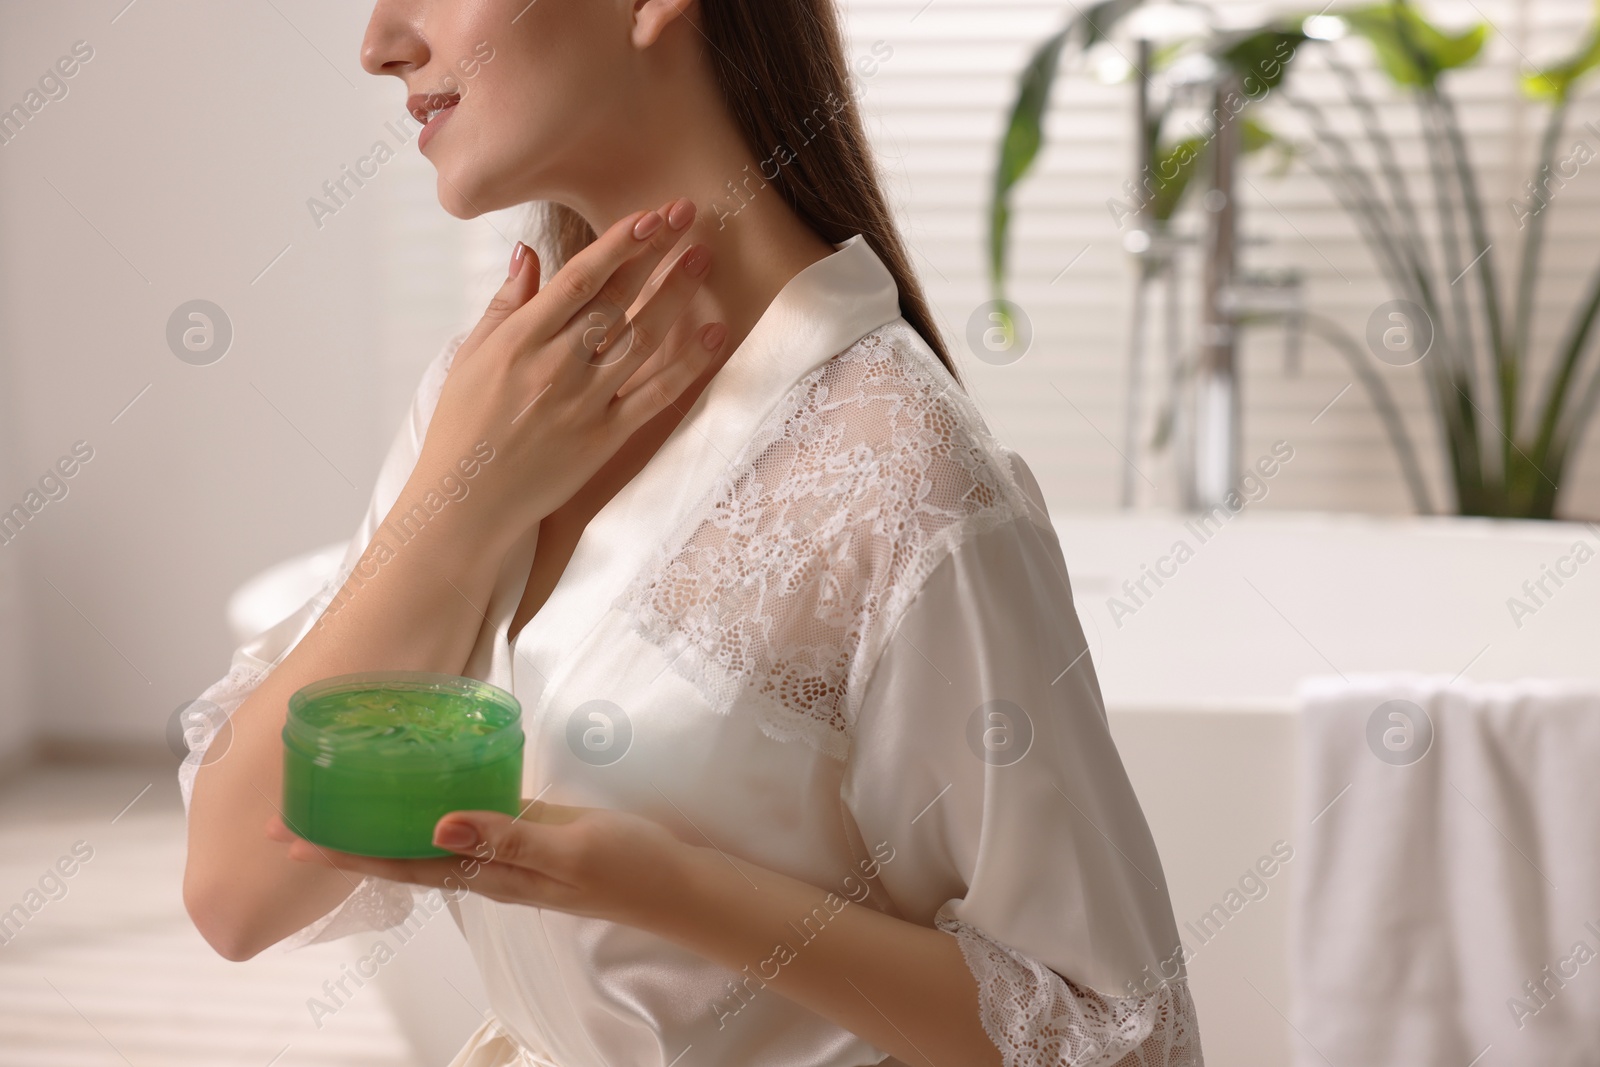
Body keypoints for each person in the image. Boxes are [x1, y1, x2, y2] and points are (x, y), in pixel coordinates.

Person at [178, 1, 1201, 1065]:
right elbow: (235, 893)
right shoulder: (500, 395)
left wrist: (666, 885)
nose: (380, 42)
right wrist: (460, 500)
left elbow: (1114, 1032)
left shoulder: (901, 472)